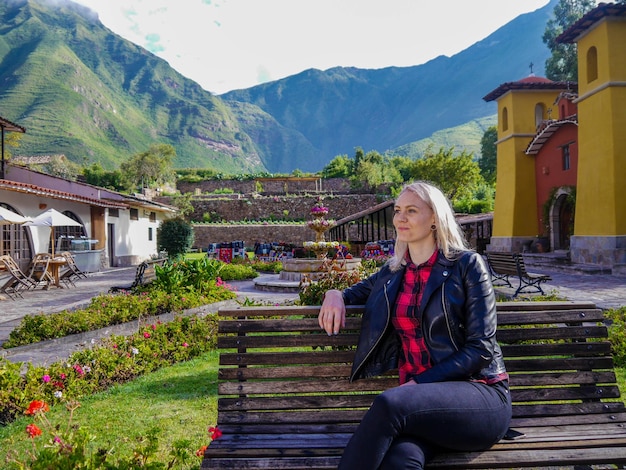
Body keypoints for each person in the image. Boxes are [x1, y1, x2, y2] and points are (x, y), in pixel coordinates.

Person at [318, 181, 511, 470]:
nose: (400, 218)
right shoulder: (393, 271)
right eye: (397, 210)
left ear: (434, 218)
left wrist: (416, 384)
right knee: (399, 462)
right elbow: (352, 293)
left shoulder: (467, 265)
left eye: (411, 210)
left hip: (478, 396)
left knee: (388, 403)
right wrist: (333, 294)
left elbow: (480, 350)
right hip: (420, 410)